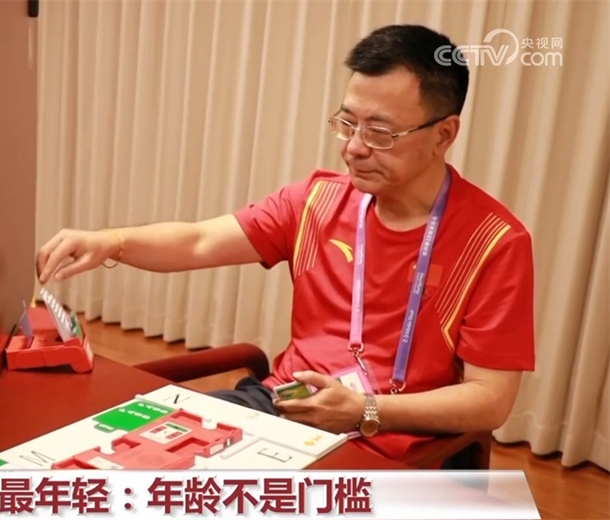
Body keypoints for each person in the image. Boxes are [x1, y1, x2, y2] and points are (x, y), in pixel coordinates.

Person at [35, 24, 536, 463]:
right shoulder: (317, 200)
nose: (354, 148)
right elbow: (200, 240)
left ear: (444, 134)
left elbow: (490, 399)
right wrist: (112, 241)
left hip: (393, 440)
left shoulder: (494, 242)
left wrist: (366, 409)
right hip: (283, 406)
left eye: (380, 133)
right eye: (347, 124)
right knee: (119, 462)